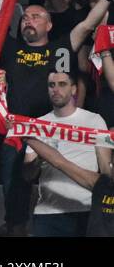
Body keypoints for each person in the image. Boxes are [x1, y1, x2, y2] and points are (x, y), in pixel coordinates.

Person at [22, 68, 112, 236]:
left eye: (62, 84)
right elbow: (27, 175)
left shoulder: (94, 121)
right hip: (47, 212)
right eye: (51, 85)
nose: (56, 89)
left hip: (86, 208)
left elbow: (106, 172)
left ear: (74, 89)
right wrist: (39, 160)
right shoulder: (37, 125)